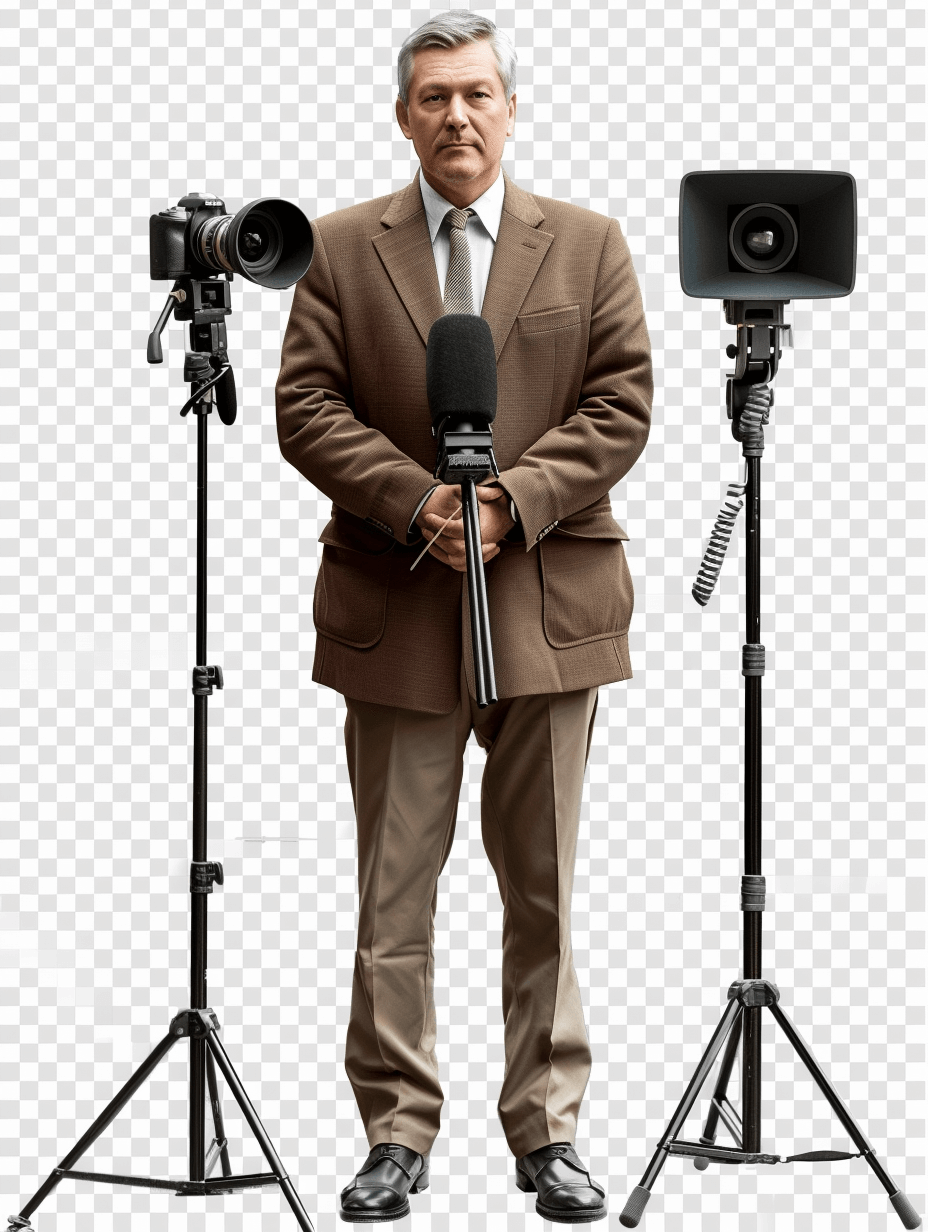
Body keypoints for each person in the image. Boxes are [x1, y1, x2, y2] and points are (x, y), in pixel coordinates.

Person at [276, 10, 652, 1224]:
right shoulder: (338, 247)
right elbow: (307, 406)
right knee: (396, 890)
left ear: (508, 104)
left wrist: (514, 504)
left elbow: (620, 402)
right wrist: (417, 499)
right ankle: (395, 1130)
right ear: (403, 113)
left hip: (548, 607)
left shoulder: (588, 244)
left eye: (477, 93)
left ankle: (546, 1129)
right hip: (399, 604)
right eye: (433, 95)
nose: (456, 115)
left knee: (540, 883)